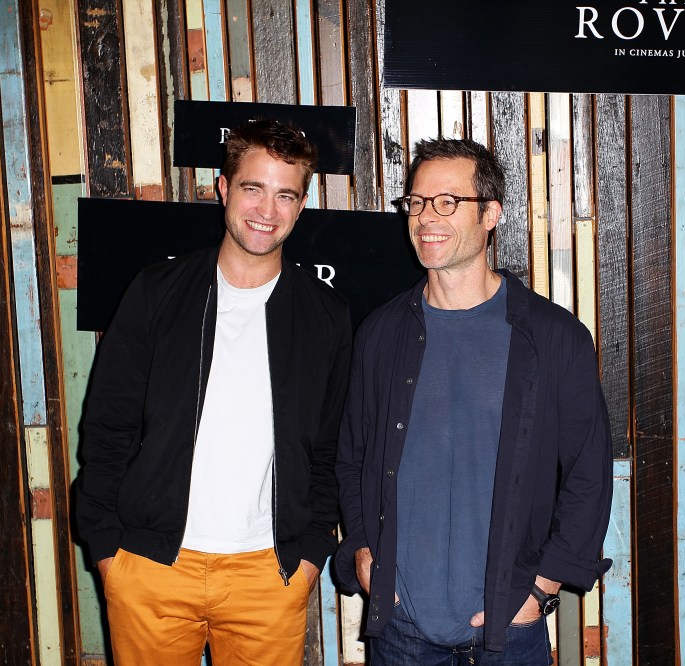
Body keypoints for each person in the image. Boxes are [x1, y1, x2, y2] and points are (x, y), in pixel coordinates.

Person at [75, 118, 352, 665]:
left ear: (301, 205)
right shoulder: (157, 293)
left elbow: (328, 449)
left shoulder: (326, 315)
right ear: (223, 188)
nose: (267, 210)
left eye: (285, 195)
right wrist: (107, 549)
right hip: (150, 567)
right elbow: (108, 428)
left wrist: (310, 554)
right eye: (253, 188)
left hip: (269, 574)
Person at [334, 138, 613, 664]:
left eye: (447, 201)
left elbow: (589, 475)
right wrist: (364, 550)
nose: (426, 217)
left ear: (490, 214)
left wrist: (541, 588)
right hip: (400, 628)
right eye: (417, 202)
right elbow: (352, 458)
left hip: (510, 628)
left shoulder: (553, 337)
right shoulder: (381, 334)